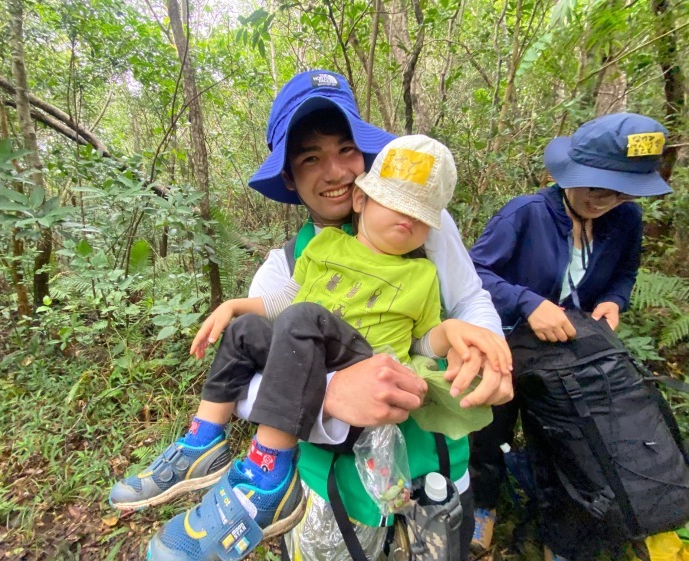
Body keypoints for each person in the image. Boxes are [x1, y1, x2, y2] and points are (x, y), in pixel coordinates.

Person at [109, 70, 513, 559]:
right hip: (331, 482)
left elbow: (467, 298)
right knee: (271, 326)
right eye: (310, 158)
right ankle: (213, 454)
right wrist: (329, 395)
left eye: (347, 149)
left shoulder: (419, 221)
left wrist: (486, 345)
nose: (337, 172)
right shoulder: (286, 265)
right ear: (289, 177)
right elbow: (252, 389)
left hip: (433, 465)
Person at [466, 112, 673, 561]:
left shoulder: (625, 221)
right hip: (506, 342)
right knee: (489, 428)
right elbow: (474, 274)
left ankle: (561, 529)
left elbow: (625, 272)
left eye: (620, 191)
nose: (606, 200)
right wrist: (528, 303)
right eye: (598, 187)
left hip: (569, 356)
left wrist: (615, 301)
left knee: (568, 440)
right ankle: (483, 504)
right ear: (568, 176)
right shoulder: (526, 215)